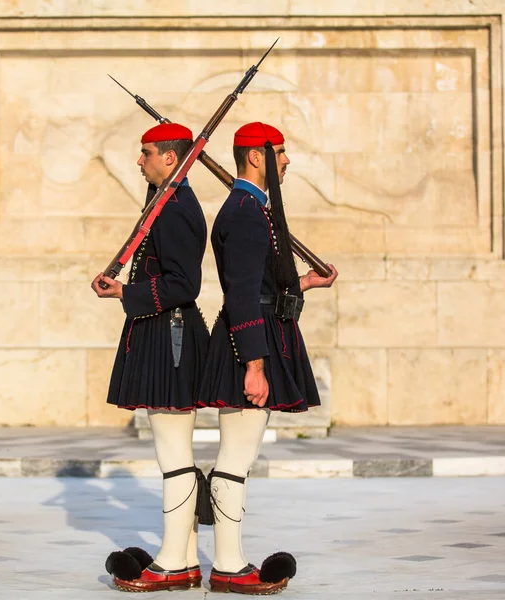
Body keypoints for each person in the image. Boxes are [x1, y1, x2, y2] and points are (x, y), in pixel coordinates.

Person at [198, 122, 339, 595]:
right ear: (256, 157)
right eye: (279, 153)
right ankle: (228, 566)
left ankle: (228, 560)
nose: (286, 161)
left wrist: (306, 283)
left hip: (256, 335)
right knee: (235, 457)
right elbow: (240, 294)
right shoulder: (244, 213)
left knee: (241, 455)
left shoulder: (251, 209)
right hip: (248, 344)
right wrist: (255, 365)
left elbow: (261, 285)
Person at [91, 122, 210, 593]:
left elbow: (185, 284)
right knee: (172, 453)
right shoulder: (167, 201)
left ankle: (171, 563)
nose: (139, 161)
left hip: (171, 335)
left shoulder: (178, 207)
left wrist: (127, 291)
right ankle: (181, 558)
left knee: (174, 455)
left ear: (169, 157)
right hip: (163, 331)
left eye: (146, 154)